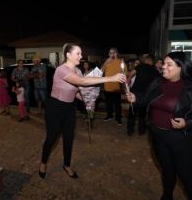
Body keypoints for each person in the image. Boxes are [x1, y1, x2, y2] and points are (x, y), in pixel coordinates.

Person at [126, 51, 192, 200]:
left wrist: (188, 122)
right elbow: (148, 100)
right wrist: (136, 98)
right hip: (158, 137)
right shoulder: (157, 82)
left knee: (187, 177)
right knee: (167, 171)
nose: (163, 67)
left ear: (181, 67)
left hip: (183, 140)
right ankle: (167, 197)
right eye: (163, 64)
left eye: (169, 65)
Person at [38, 43, 126, 179]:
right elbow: (82, 81)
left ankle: (66, 165)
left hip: (69, 108)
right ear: (68, 55)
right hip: (55, 107)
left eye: (81, 53)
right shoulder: (61, 70)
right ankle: (43, 163)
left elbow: (77, 92)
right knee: (51, 138)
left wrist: (87, 101)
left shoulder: (78, 71)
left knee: (69, 138)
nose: (81, 56)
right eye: (78, 53)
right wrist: (111, 78)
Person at [127, 54, 161, 136]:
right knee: (143, 114)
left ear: (146, 60)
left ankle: (130, 131)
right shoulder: (155, 71)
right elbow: (159, 83)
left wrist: (127, 86)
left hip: (134, 93)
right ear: (151, 61)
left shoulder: (139, 67)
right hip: (146, 95)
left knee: (132, 113)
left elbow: (129, 75)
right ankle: (141, 131)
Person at [101, 47, 127, 125]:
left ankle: (118, 118)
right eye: (110, 53)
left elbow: (125, 72)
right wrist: (106, 62)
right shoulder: (106, 62)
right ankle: (109, 116)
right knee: (108, 104)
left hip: (116, 87)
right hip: (107, 87)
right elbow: (101, 72)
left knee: (117, 105)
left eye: (113, 52)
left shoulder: (121, 61)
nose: (111, 54)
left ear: (116, 53)